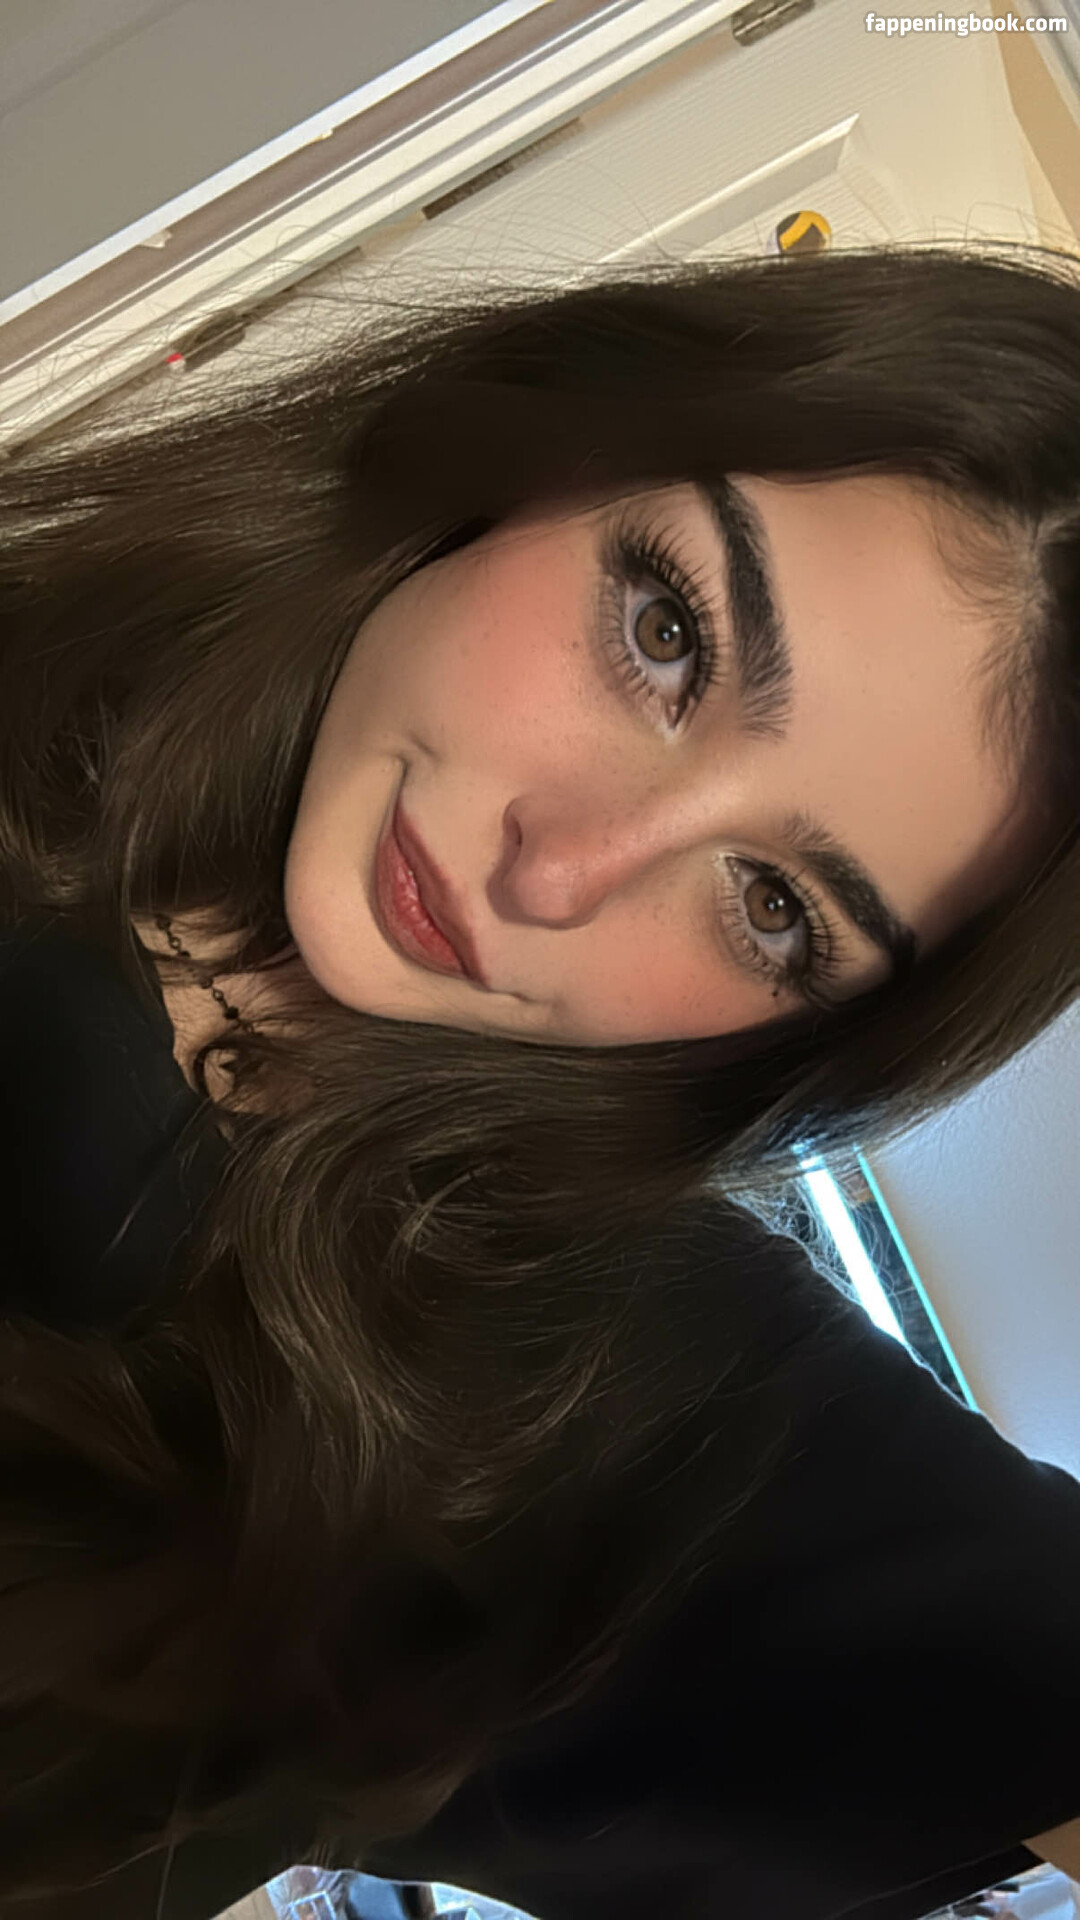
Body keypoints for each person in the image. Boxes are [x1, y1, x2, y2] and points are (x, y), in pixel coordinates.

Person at [1, 241, 1079, 1919]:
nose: (563, 870)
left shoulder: (598, 1386)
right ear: (544, 446)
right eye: (667, 634)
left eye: (772, 907)